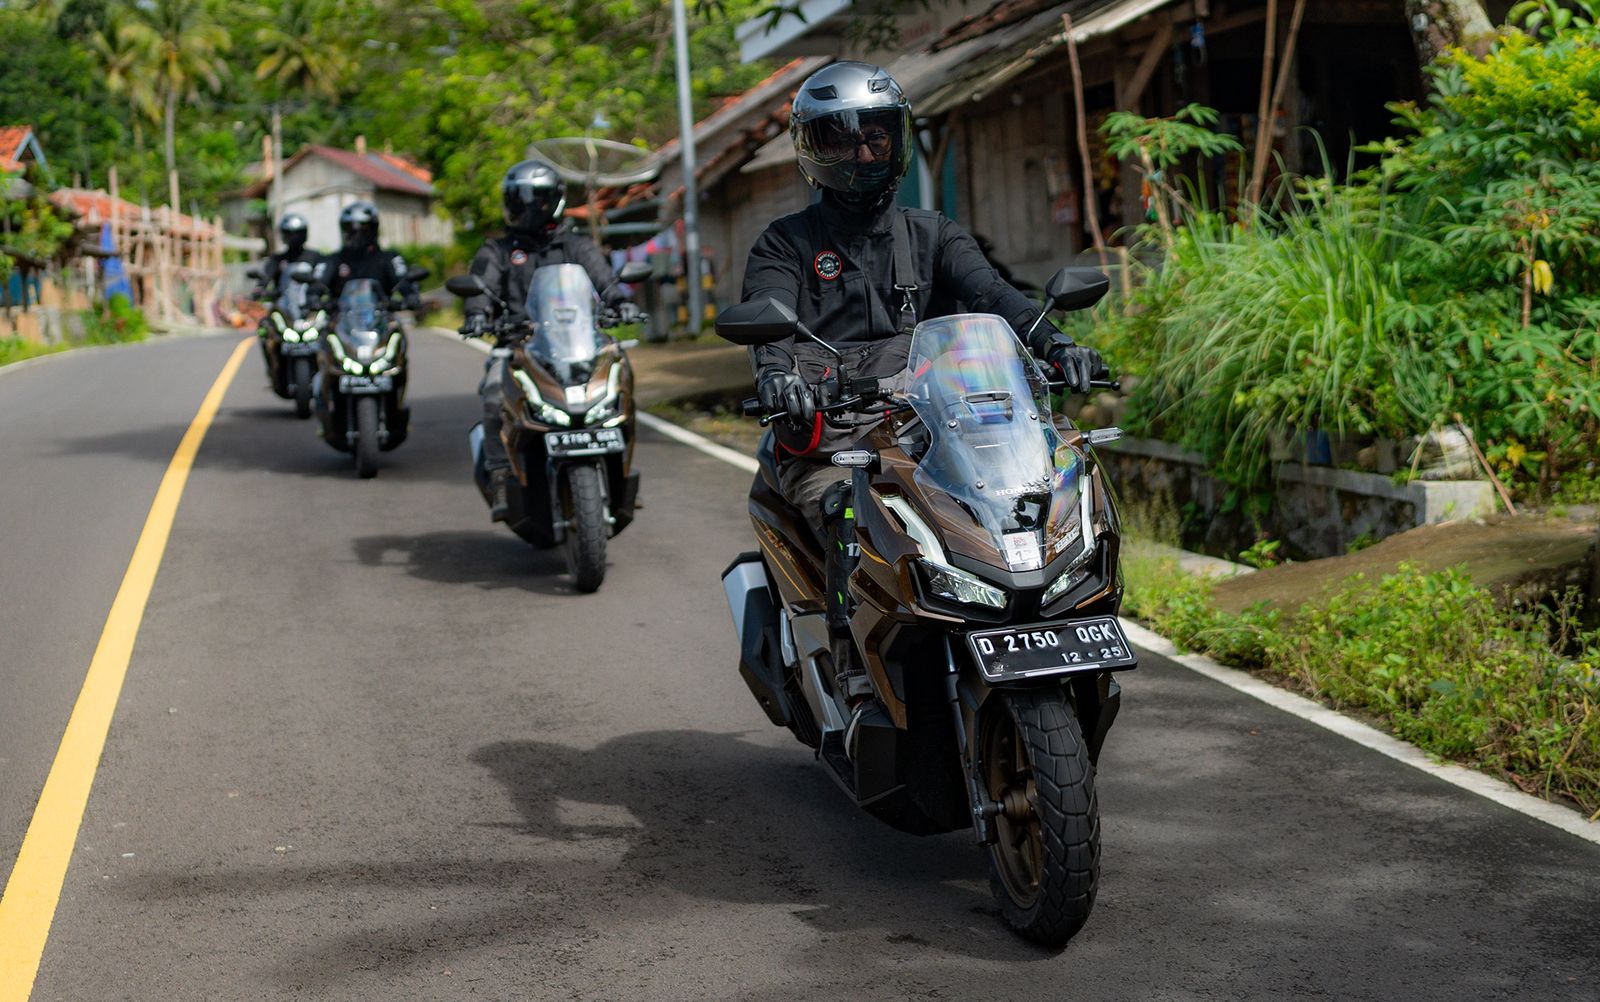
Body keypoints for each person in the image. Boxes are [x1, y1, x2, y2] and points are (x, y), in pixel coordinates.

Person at [739, 61, 1105, 707]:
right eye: (840, 139)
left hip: (931, 435)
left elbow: (995, 296)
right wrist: (779, 379)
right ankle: (853, 672)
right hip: (834, 443)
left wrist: (1055, 343)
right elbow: (768, 324)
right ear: (811, 150)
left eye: (875, 136)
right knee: (851, 522)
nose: (861, 152)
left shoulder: (931, 233)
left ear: (896, 140)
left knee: (1034, 505)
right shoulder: (785, 245)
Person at [459, 158, 640, 521]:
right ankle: (499, 474)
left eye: (536, 199)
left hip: (578, 343)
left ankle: (619, 472)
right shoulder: (497, 251)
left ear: (553, 200)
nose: (528, 207)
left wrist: (621, 303)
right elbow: (480, 286)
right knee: (494, 394)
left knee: (621, 381)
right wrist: (477, 312)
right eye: (519, 199)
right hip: (518, 346)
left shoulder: (576, 246)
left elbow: (604, 280)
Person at [311, 201, 421, 310]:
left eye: (364, 230)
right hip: (340, 322)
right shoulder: (332, 260)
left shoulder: (389, 258)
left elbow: (402, 281)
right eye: (351, 230)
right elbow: (317, 283)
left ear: (374, 230)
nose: (357, 236)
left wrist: (410, 296)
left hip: (381, 321)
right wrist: (313, 297)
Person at [252, 213, 318, 297]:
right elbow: (266, 277)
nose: (294, 238)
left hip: (309, 305)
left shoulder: (315, 257)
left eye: (297, 234)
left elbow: (323, 279)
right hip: (282, 306)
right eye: (289, 234)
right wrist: (259, 288)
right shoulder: (276, 259)